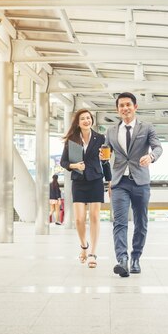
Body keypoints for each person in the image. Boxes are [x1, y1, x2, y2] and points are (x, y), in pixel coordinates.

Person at [103, 92, 162, 277]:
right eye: (121, 105)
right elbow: (105, 154)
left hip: (140, 181)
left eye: (128, 104)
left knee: (141, 222)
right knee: (119, 223)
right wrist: (103, 162)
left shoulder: (147, 128)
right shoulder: (111, 131)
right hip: (119, 181)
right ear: (117, 109)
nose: (125, 108)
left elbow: (158, 147)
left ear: (135, 107)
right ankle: (122, 259)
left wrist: (151, 157)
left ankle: (136, 257)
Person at [60, 109, 112, 269]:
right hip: (79, 182)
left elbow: (105, 161)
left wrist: (109, 181)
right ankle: (84, 246)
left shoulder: (100, 138)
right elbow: (63, 162)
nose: (86, 120)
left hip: (96, 180)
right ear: (78, 122)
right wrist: (74, 165)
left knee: (95, 217)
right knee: (79, 219)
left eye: (88, 118)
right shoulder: (72, 140)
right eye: (83, 118)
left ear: (92, 120)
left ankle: (93, 253)